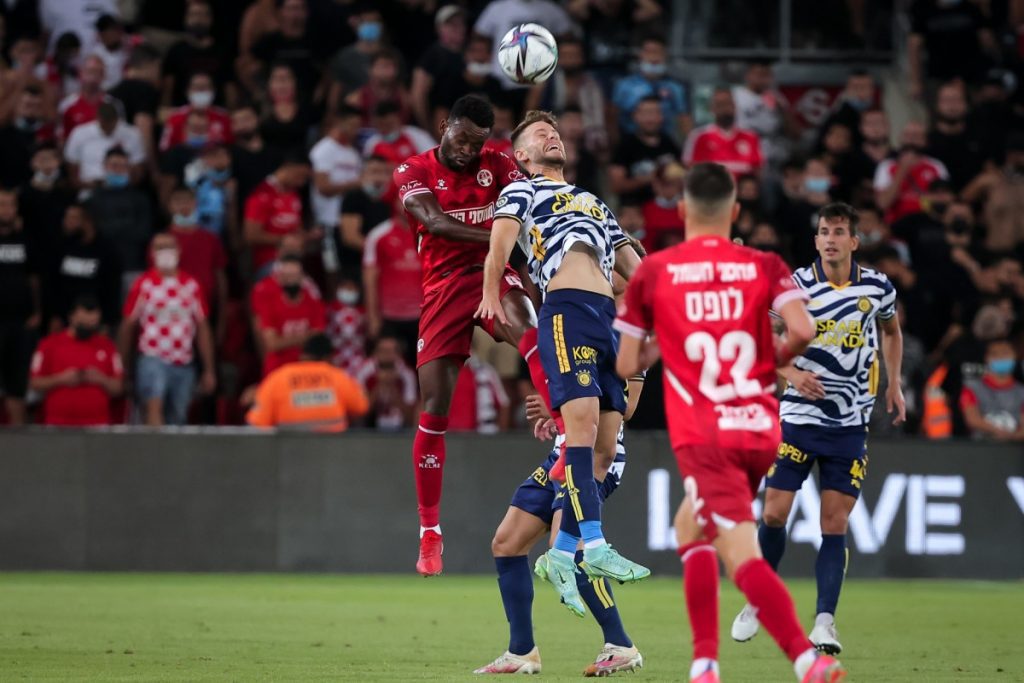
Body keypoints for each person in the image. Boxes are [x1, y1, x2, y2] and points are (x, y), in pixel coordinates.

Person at [613, 162, 844, 683]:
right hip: (760, 428)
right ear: (735, 211)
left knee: (740, 552)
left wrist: (667, 335)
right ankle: (705, 663)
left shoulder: (656, 271)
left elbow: (627, 364)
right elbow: (803, 329)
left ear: (681, 209)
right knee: (689, 527)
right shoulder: (764, 264)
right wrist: (769, 358)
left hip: (707, 434)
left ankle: (806, 660)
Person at [478, 109, 648, 612]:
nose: (551, 136)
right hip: (566, 308)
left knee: (605, 446)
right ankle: (593, 545)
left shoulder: (593, 201)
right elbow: (499, 244)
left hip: (605, 317)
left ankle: (560, 553)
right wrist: (490, 291)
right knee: (583, 430)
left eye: (554, 132)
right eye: (540, 134)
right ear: (522, 155)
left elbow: (636, 271)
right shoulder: (522, 191)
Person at [730, 202, 905, 657]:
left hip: (849, 423)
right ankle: (758, 601)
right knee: (773, 514)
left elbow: (891, 332)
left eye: (839, 231)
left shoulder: (878, 287)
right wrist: (790, 372)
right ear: (816, 239)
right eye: (824, 231)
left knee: (835, 522)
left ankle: (825, 622)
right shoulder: (796, 286)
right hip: (798, 418)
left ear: (854, 241)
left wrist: (894, 383)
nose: (830, 239)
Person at [391, 95, 552, 576]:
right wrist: (507, 237)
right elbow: (435, 222)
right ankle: (430, 532)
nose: (467, 150)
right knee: (434, 409)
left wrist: (518, 241)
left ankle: (560, 421)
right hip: (443, 287)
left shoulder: (497, 163)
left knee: (531, 329)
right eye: (461, 139)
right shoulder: (412, 170)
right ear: (444, 124)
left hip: (492, 274)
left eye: (476, 143)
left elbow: (532, 203)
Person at [118, 232, 215, 426]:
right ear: (151, 253)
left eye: (169, 246)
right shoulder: (143, 284)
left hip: (183, 362)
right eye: (160, 247)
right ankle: (156, 445)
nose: (165, 252)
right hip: (153, 357)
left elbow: (202, 328)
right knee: (154, 409)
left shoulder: (191, 285)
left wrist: (208, 369)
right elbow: (128, 325)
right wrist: (122, 367)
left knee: (178, 418)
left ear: (179, 250)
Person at [29, 294, 123, 426]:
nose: (87, 328)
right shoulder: (49, 344)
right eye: (82, 324)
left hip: (98, 423)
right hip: (58, 422)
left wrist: (101, 379)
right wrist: (61, 379)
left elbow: (118, 387)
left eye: (91, 324)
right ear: (71, 317)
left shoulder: (107, 346)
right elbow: (34, 383)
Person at [246, 333, 368, 431]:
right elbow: (361, 407)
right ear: (329, 358)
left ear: (302, 356)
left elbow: (257, 422)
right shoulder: (338, 377)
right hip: (332, 451)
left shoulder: (278, 378)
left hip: (289, 451)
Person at [0, 188, 41, 425]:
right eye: (2, 204)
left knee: (17, 383)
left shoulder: (26, 239)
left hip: (20, 321)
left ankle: (18, 437)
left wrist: (37, 311)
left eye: (11, 205)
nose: (7, 210)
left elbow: (34, 278)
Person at [250, 252, 326, 377]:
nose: (291, 281)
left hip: (306, 371)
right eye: (287, 276)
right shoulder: (270, 304)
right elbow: (271, 344)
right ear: (280, 278)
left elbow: (318, 340)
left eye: (294, 276)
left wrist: (283, 340)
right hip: (277, 370)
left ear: (302, 277)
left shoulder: (314, 302)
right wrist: (305, 337)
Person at [243, 152, 313, 278]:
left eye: (305, 178)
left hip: (295, 261)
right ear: (288, 167)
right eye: (300, 176)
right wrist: (284, 240)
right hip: (269, 262)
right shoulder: (261, 194)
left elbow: (297, 227)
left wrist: (305, 236)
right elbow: (250, 236)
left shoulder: (294, 194)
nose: (302, 183)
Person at [362, 203, 422, 349]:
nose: (407, 204)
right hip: (389, 316)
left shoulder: (429, 233)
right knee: (389, 358)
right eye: (401, 199)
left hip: (423, 315)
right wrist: (373, 318)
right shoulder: (378, 236)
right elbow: (370, 279)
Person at [611, 36, 690, 143]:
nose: (653, 56)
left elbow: (684, 119)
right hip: (630, 142)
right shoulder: (624, 85)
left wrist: (688, 143)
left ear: (665, 55)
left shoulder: (675, 87)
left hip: (665, 142)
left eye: (657, 52)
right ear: (640, 54)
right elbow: (613, 116)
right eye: (648, 51)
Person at [609, 96, 681, 206]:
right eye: (645, 113)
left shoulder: (669, 142)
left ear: (661, 116)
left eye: (654, 113)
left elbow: (682, 173)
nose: (650, 119)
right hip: (636, 209)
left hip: (669, 207)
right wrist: (650, 178)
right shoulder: (625, 146)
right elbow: (616, 185)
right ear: (635, 116)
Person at [873, 121, 949, 225]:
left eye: (917, 135)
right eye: (908, 135)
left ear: (925, 141)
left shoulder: (936, 166)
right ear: (900, 138)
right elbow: (883, 204)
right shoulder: (886, 166)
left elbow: (946, 201)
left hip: (929, 223)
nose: (912, 139)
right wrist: (902, 170)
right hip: (895, 224)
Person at [683, 87, 763, 180]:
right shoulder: (699, 137)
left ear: (735, 106)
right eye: (720, 105)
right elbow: (690, 169)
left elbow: (758, 171)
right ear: (712, 109)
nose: (725, 109)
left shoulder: (751, 137)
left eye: (728, 104)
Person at [64, 103, 145, 188]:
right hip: (90, 187)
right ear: (98, 119)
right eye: (105, 124)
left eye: (111, 124)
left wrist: (128, 184)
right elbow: (72, 166)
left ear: (117, 120)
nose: (108, 127)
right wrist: (84, 185)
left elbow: (138, 167)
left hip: (124, 188)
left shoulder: (132, 133)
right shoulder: (79, 133)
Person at [308, 107, 363, 233]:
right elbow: (323, 187)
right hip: (328, 218)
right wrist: (354, 185)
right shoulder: (323, 150)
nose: (355, 130)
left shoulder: (353, 153)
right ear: (339, 122)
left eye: (357, 126)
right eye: (352, 125)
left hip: (348, 218)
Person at [959, 338, 1024, 441]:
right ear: (987, 358)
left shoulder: (1021, 392)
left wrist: (1011, 437)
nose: (1001, 358)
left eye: (1005, 353)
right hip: (981, 446)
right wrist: (998, 432)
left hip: (1013, 447)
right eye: (995, 354)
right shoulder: (972, 387)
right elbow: (972, 419)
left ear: (1015, 356)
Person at [353, 334, 418, 431]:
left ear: (399, 355)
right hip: (369, 428)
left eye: (391, 351)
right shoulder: (363, 372)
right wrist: (378, 387)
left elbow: (411, 418)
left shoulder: (407, 374)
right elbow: (359, 414)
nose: (387, 356)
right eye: (383, 351)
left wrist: (393, 390)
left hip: (401, 429)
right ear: (375, 353)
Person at [158, 72, 233, 153]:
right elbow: (165, 150)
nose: (200, 91)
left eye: (204, 87)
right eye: (196, 87)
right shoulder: (175, 118)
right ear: (188, 91)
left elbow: (231, 148)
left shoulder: (223, 118)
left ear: (213, 91)